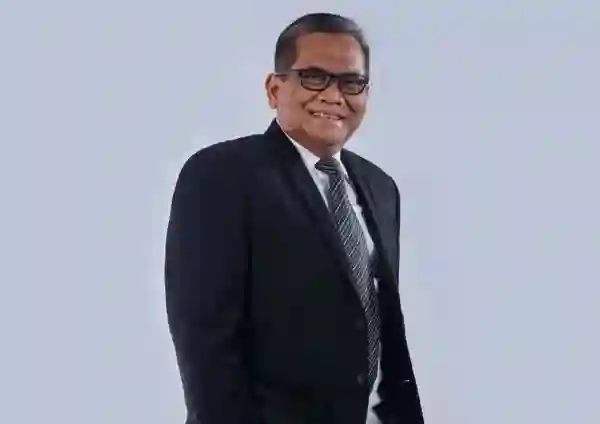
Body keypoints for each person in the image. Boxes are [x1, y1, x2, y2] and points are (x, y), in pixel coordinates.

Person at [164, 12, 424, 424]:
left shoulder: (380, 188)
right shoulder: (222, 174)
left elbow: (382, 326)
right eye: (314, 78)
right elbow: (205, 341)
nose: (333, 95)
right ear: (274, 89)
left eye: (351, 82)